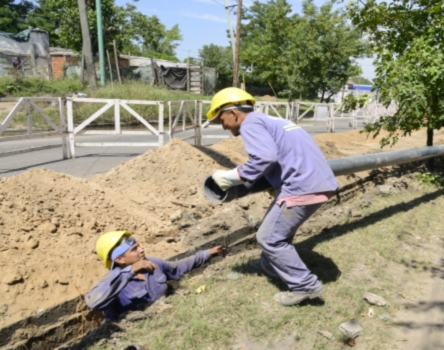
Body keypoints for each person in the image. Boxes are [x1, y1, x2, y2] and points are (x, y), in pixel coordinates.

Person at [206, 87, 338, 306]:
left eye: (222, 120)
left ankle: (304, 285)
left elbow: (265, 157)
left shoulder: (250, 124)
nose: (224, 127)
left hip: (301, 187)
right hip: (320, 183)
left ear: (234, 113)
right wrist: (274, 180)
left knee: (269, 238)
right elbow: (286, 154)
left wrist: (232, 176)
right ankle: (269, 266)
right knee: (275, 230)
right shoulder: (274, 121)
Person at [85, 230, 226, 320]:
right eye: (134, 249)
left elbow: (177, 268)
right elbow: (94, 302)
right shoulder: (111, 279)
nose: (141, 250)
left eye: (139, 246)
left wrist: (207, 253)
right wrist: (130, 272)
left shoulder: (151, 263)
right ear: (119, 259)